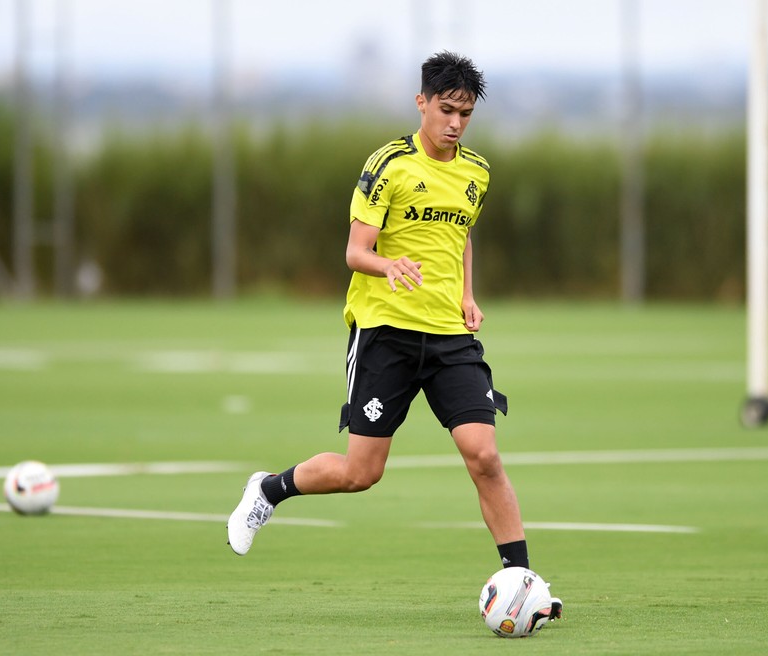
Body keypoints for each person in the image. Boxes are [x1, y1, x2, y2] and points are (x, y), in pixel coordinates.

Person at [227, 50, 561, 620]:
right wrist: (390, 266)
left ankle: (521, 581)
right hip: (386, 333)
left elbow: (462, 237)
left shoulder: (476, 171)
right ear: (422, 103)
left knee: (484, 455)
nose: (455, 123)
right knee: (363, 473)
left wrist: (465, 294)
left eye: (466, 114)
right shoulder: (390, 165)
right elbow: (356, 252)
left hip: (451, 338)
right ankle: (269, 490)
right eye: (447, 109)